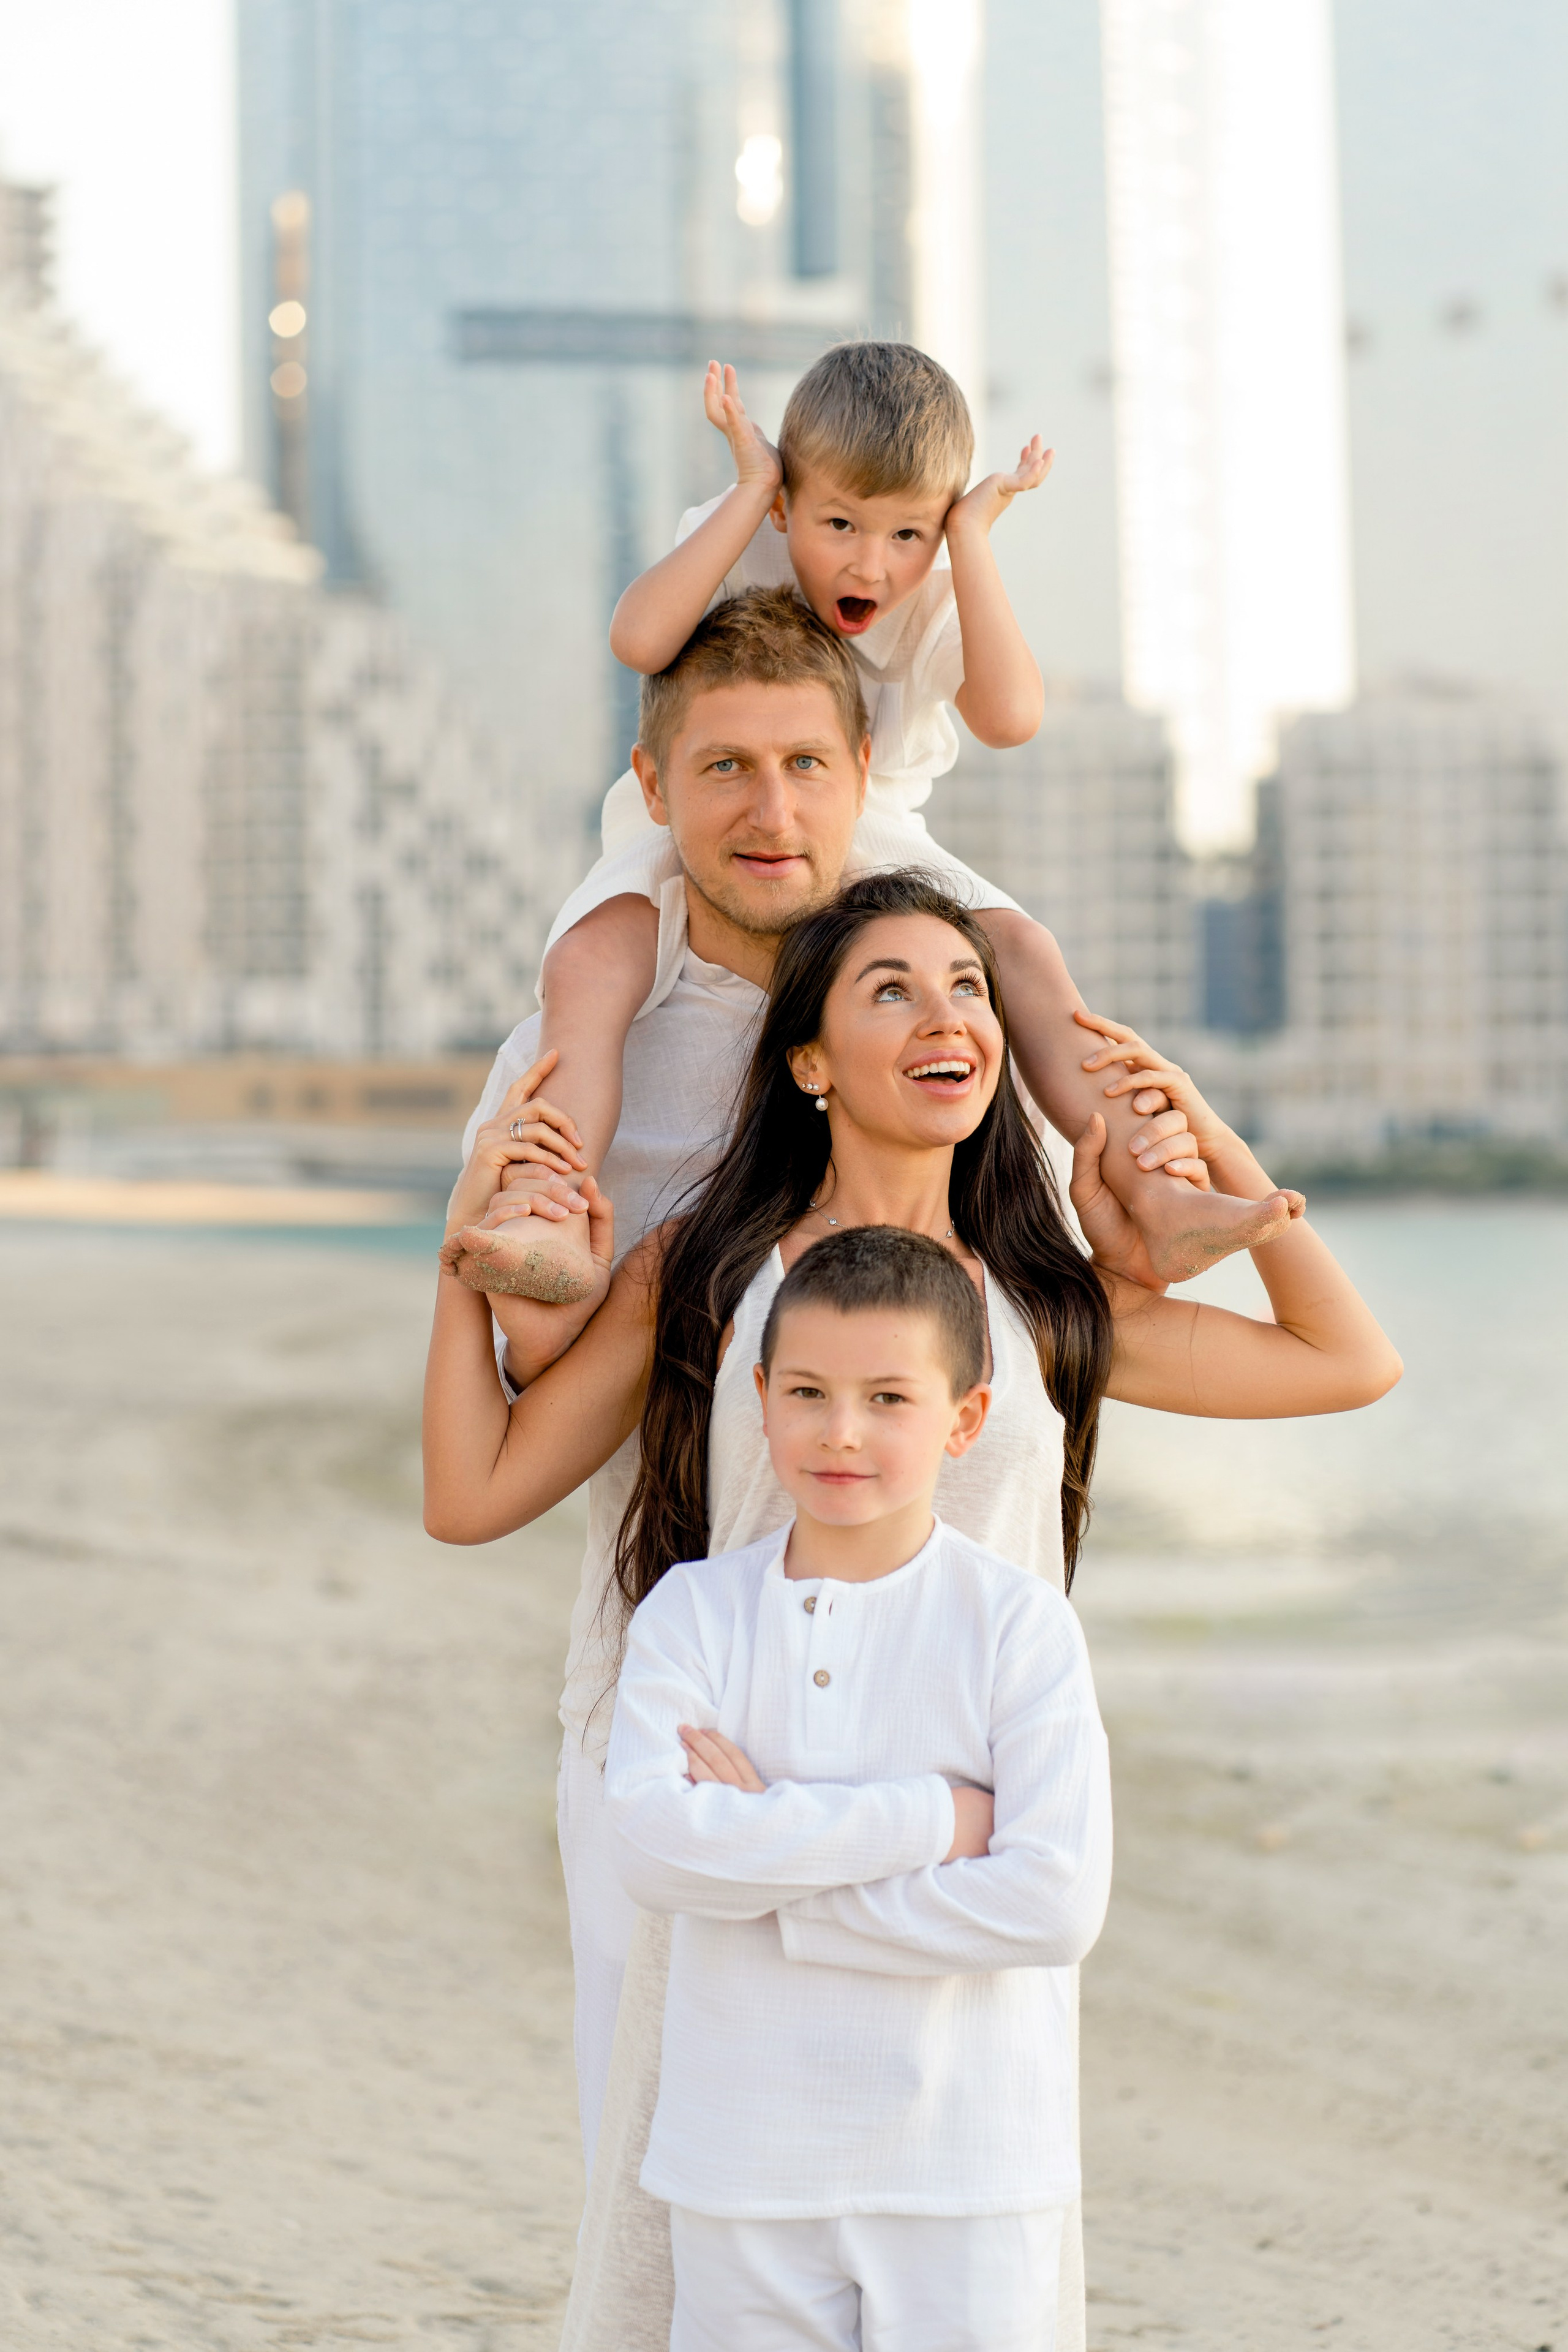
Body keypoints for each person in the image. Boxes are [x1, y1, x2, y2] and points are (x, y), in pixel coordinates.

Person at [424, 870, 1402, 2351]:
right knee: (691, 2245)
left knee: (967, 2243)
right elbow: (473, 1490)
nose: (945, 1017)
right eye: (888, 989)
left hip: (968, 1838)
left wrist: (1214, 1157)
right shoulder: (705, 1276)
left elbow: (1345, 1361)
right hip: (744, 1817)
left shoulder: (1042, 1301)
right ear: (806, 1060)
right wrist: (458, 1260)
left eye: (964, 990)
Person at [473, 342, 1299, 1307]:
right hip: (707, 817)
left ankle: (1155, 1191)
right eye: (839, 524)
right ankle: (548, 1211)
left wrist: (971, 543)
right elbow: (640, 640)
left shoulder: (941, 588)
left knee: (1025, 953)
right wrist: (752, 490)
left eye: (908, 534)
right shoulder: (748, 529)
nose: (872, 562)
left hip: (877, 829)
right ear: (789, 503)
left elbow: (1011, 717)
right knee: (587, 966)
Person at [605, 1223, 1114, 2351]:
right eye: (809, 1392)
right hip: (742, 2155)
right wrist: (934, 1818)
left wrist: (762, 1866)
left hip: (970, 2162)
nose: (842, 1433)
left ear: (965, 1419)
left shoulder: (1019, 1623)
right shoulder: (693, 1612)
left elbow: (1055, 1903)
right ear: (761, 1398)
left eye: (890, 1398)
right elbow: (650, 1850)